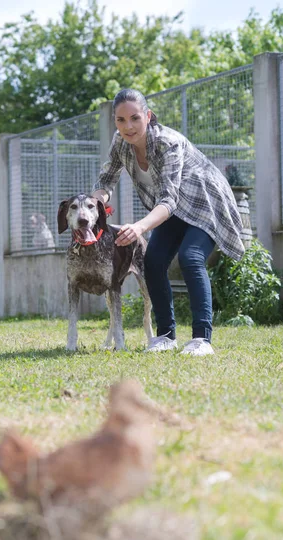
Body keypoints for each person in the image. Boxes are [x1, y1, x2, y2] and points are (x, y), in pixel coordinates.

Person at [91, 88, 245, 356]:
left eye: (135, 118)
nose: (128, 126)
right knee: (153, 261)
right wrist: (93, 206)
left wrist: (139, 227)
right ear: (115, 121)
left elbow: (168, 200)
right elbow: (106, 181)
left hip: (204, 202)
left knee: (191, 257)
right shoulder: (120, 142)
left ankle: (201, 339)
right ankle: (165, 336)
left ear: (148, 116)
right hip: (171, 209)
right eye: (121, 120)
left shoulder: (166, 143)